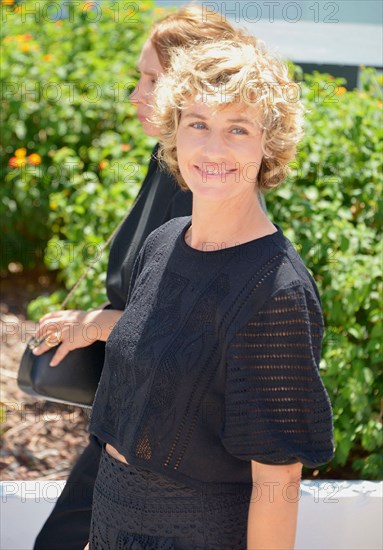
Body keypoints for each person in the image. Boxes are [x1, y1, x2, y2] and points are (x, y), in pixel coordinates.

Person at [87, 38, 334, 550]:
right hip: (113, 524)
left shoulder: (276, 291)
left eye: (238, 129)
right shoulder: (163, 243)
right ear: (175, 130)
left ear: (270, 143)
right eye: (198, 122)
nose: (213, 149)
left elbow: (277, 481)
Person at [32, 6, 259, 550]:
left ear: (191, 85)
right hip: (130, 416)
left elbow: (197, 325)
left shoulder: (204, 188)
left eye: (152, 79)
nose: (136, 94)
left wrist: (96, 323)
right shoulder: (167, 165)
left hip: (166, 436)